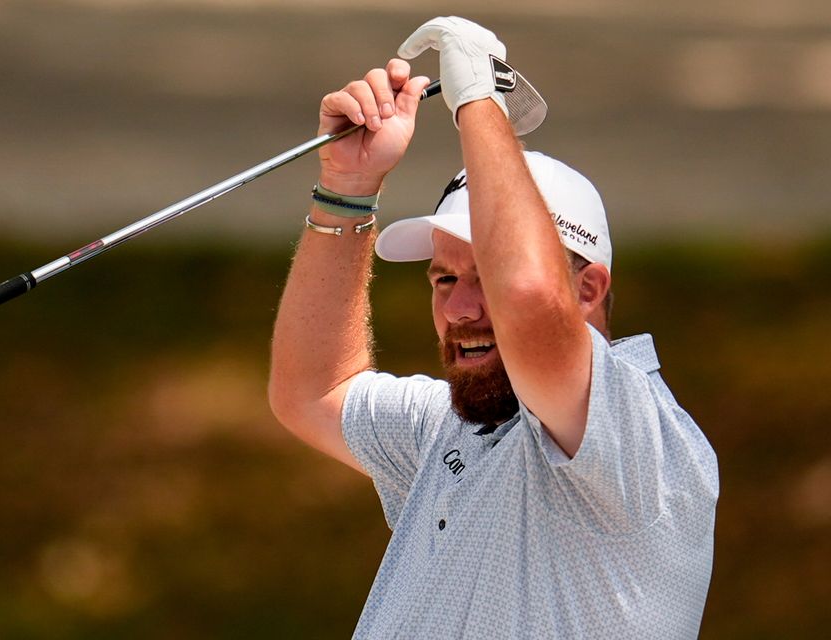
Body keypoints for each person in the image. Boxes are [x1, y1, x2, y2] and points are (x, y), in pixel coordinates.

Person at [268, 16, 718, 640]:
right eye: (445, 279)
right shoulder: (451, 427)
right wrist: (347, 187)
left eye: (487, 278)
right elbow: (312, 391)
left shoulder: (638, 433)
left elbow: (532, 301)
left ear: (587, 290)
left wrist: (479, 100)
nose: (459, 310)